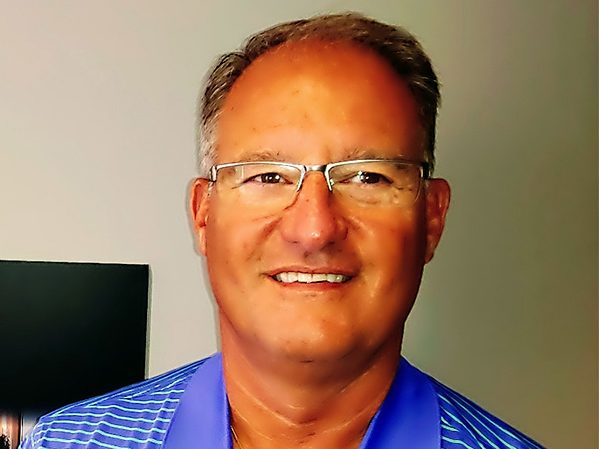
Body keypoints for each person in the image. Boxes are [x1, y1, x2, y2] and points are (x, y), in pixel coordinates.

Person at [20, 12, 544, 449]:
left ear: (431, 218)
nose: (314, 229)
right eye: (267, 176)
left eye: (367, 176)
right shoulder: (66, 442)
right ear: (203, 215)